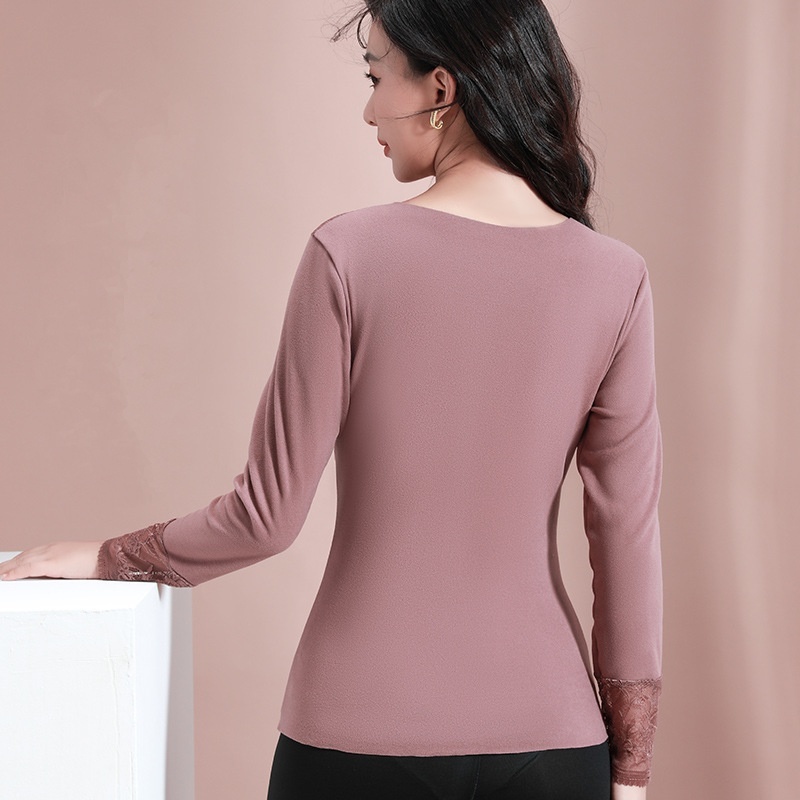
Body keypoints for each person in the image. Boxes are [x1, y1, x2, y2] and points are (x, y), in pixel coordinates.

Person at [0, 1, 663, 798]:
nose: (369, 111)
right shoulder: (615, 277)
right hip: (553, 742)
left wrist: (110, 557)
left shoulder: (349, 254)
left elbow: (264, 518)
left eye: (376, 77)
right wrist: (630, 769)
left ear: (440, 90)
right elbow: (625, 536)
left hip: (358, 733)